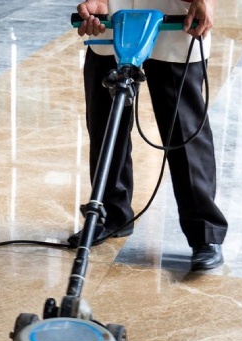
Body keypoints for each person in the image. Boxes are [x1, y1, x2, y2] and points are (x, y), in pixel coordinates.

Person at [71, 0, 227, 271]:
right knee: (105, 124)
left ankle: (205, 233)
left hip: (176, 15)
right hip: (113, 16)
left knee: (184, 131)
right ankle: (111, 215)